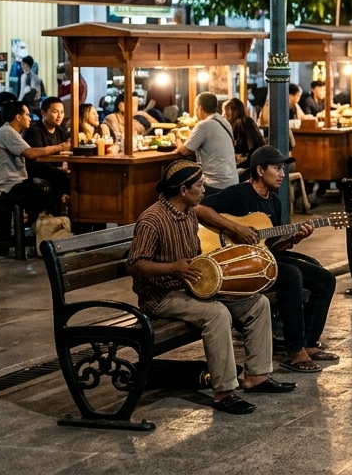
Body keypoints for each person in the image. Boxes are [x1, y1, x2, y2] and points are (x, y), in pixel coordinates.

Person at [126, 161, 289, 414]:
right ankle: (224, 392)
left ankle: (257, 376)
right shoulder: (152, 219)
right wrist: (173, 268)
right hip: (161, 296)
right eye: (200, 185)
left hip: (192, 287)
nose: (204, 190)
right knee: (216, 314)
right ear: (183, 189)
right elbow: (135, 264)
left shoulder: (190, 213)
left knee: (258, 303)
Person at [201, 146, 337, 374]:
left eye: (283, 168)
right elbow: (200, 209)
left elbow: (270, 247)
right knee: (292, 276)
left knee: (325, 279)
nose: (283, 174)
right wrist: (235, 228)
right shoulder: (238, 193)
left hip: (263, 261)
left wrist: (292, 239)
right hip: (236, 266)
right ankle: (295, 352)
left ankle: (309, 343)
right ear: (260, 170)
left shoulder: (274, 202)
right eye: (277, 168)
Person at [0, 99, 73, 228]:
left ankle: (39, 227)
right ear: (18, 117)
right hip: (5, 189)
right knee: (49, 192)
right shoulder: (7, 132)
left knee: (53, 188)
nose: (30, 119)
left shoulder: (12, 133)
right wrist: (60, 147)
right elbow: (30, 153)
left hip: (12, 185)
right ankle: (41, 229)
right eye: (27, 115)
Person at [177, 93, 238, 195]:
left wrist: (178, 142)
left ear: (200, 108)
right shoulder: (225, 122)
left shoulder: (203, 125)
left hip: (214, 185)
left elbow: (185, 151)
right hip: (233, 182)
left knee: (181, 189)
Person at [24, 96, 72, 205]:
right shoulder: (34, 131)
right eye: (55, 112)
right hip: (37, 171)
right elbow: (36, 157)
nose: (60, 115)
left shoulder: (61, 131)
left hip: (56, 170)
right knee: (60, 176)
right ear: (43, 113)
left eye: (62, 112)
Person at [223, 98, 266, 167]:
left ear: (230, 111)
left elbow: (241, 147)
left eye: (224, 111)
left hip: (251, 164)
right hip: (259, 161)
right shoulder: (248, 121)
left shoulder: (240, 123)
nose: (223, 115)